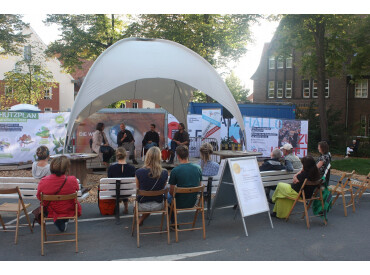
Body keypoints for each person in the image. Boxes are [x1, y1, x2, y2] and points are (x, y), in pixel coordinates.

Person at [37, 156, 82, 232]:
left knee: (56, 206)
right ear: (67, 168)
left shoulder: (43, 181)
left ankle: (59, 221)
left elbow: (39, 197)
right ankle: (62, 221)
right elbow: (76, 192)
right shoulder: (72, 180)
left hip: (50, 211)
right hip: (68, 210)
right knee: (66, 203)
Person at [168, 145, 202, 224]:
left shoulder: (175, 170)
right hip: (193, 201)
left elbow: (171, 192)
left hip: (178, 202)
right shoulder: (198, 168)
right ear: (188, 155)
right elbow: (199, 186)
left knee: (168, 197)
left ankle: (173, 223)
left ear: (178, 156)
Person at [135, 147, 168, 225]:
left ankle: (139, 220)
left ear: (147, 157)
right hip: (159, 205)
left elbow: (138, 189)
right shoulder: (164, 172)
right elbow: (162, 188)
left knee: (145, 196)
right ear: (159, 157)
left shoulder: (139, 172)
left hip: (142, 205)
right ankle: (140, 220)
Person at [107, 148, 136, 214]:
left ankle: (117, 205)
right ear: (125, 155)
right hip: (128, 192)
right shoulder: (132, 168)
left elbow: (110, 181)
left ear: (117, 156)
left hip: (115, 192)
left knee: (118, 187)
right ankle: (126, 207)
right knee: (125, 187)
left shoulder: (111, 168)